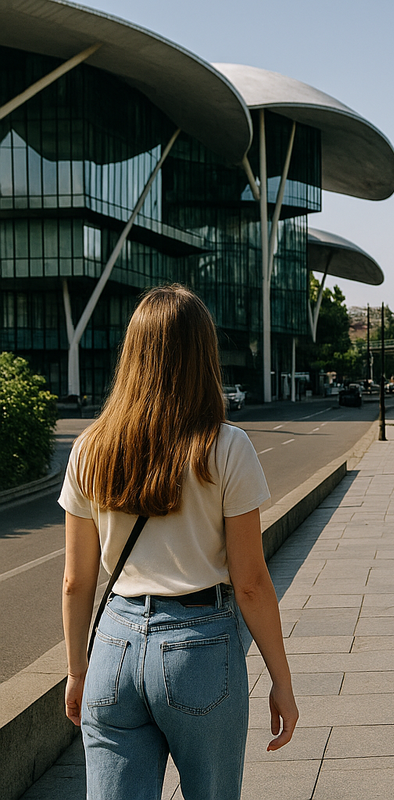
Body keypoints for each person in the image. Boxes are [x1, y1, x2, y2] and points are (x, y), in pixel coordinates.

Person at [59, 285, 298, 799]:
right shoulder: (226, 448)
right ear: (202, 356)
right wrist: (281, 678)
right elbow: (251, 582)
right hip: (201, 647)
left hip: (113, 647)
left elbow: (77, 581)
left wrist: (78, 671)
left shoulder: (90, 448)